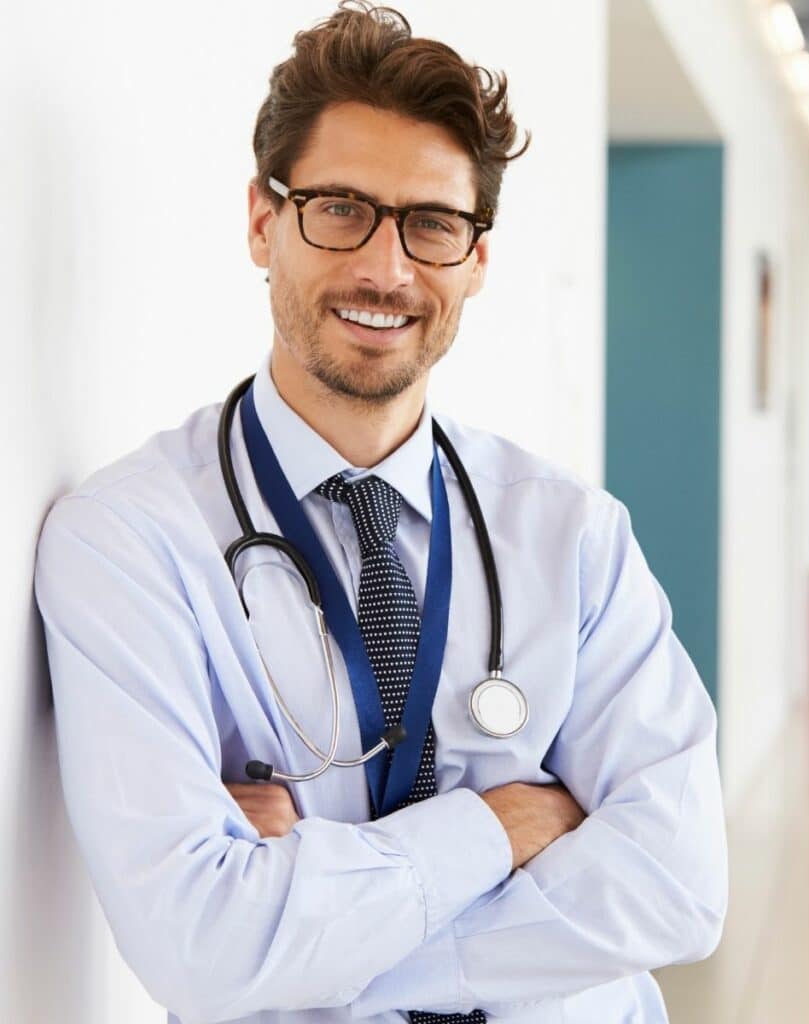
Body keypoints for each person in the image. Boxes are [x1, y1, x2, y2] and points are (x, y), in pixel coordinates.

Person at [33, 4, 727, 1022]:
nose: (386, 268)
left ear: (477, 259)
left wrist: (311, 934)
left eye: (432, 223)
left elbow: (679, 880)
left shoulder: (570, 535)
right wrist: (503, 827)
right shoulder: (130, 543)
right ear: (263, 222)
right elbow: (201, 947)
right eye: (340, 208)